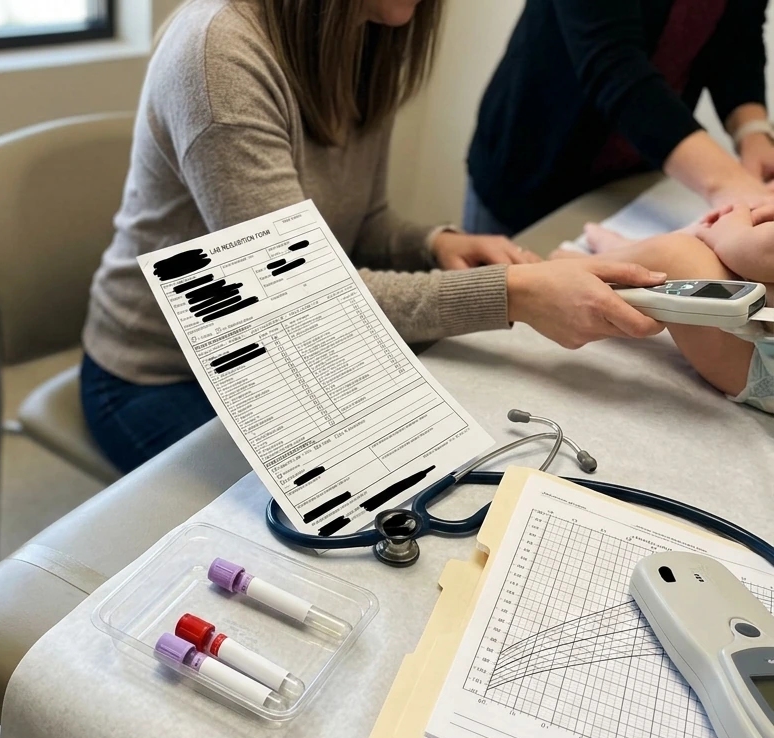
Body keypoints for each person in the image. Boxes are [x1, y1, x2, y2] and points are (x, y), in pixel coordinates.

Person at [80, 0, 667, 474]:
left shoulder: (361, 32)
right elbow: (296, 296)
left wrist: (434, 243)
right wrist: (510, 294)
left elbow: (355, 224)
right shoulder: (218, 53)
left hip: (275, 355)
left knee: (440, 450)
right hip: (159, 372)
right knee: (341, 504)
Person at [466, 0, 774, 237]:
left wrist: (753, 134)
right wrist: (727, 184)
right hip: (532, 166)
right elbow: (613, 63)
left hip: (633, 181)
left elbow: (738, 40)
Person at [553, 207, 774, 412]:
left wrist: (736, 225)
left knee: (674, 253)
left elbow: (756, 250)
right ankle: (628, 252)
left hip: (756, 365)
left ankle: (586, 267)